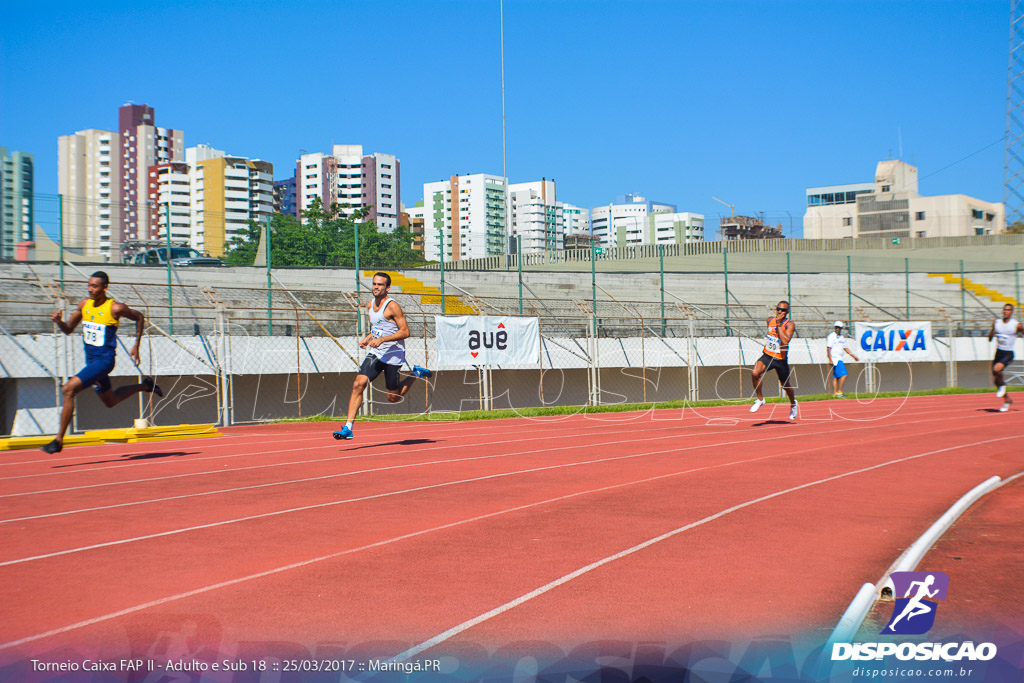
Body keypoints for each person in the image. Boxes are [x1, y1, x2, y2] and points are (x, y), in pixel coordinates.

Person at [42, 271, 162, 454]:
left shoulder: (115, 308)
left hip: (104, 361)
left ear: (105, 288)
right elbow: (68, 329)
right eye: (89, 285)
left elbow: (139, 317)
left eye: (95, 286)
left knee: (68, 389)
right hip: (91, 362)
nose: (90, 289)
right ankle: (146, 386)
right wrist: (59, 322)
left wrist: (136, 344)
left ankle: (58, 441)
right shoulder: (84, 305)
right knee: (110, 401)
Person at [333, 272, 432, 440]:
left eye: (380, 284)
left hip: (393, 355)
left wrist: (382, 339)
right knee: (358, 384)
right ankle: (348, 427)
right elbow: (378, 329)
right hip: (377, 353)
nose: (376, 287)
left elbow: (405, 331)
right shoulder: (370, 304)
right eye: (374, 284)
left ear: (387, 288)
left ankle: (416, 373)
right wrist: (369, 338)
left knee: (392, 398)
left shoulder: (393, 306)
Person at [750, 300, 798, 420]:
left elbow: (785, 341)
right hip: (767, 355)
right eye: (778, 309)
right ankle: (760, 399)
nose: (780, 312)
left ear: (787, 312)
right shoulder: (769, 320)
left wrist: (778, 325)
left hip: (780, 359)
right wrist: (774, 324)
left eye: (783, 310)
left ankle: (793, 403)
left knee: (785, 385)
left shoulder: (789, 324)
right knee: (755, 372)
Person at [987, 303, 1023, 412]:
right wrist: (992, 328)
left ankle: (1003, 386)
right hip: (998, 352)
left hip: (1008, 353)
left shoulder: (1016, 325)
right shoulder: (997, 323)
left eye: (1008, 310)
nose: (1005, 311)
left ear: (1012, 312)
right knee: (996, 380)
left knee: (996, 369)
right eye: (1004, 310)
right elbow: (989, 339)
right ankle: (1007, 400)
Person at [826, 321, 859, 398]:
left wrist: (853, 356)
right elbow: (828, 348)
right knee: (844, 374)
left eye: (839, 327)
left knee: (836, 377)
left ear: (841, 328)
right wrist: (830, 359)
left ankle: (834, 393)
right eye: (836, 327)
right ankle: (839, 391)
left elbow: (845, 348)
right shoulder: (831, 336)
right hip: (835, 359)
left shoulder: (841, 338)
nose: (837, 329)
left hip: (839, 358)